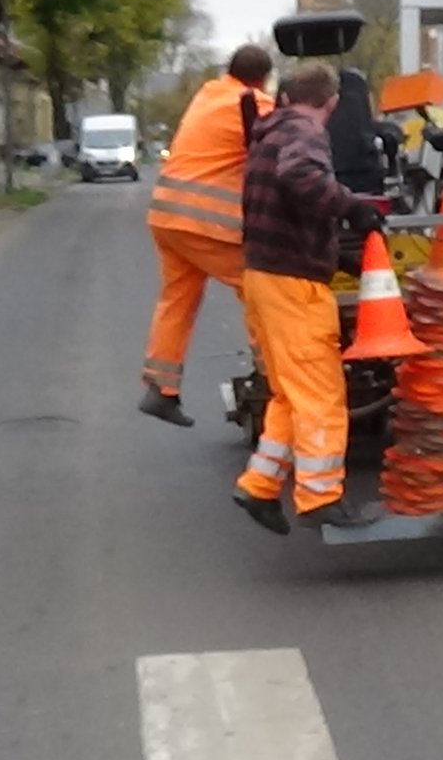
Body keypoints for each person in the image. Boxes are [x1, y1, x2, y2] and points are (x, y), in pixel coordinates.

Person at [231, 62, 387, 535]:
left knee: (289, 394)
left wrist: (336, 256)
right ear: (333, 104)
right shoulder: (305, 130)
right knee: (320, 394)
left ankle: (259, 486)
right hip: (294, 286)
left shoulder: (269, 131)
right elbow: (300, 177)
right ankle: (320, 496)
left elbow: (284, 203)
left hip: (264, 276)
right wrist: (353, 209)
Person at [138, 44, 277, 427]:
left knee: (177, 299)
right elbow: (281, 148)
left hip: (165, 214)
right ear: (264, 78)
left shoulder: (209, 94)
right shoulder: (255, 103)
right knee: (259, 286)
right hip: (204, 220)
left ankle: (161, 389)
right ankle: (275, 376)